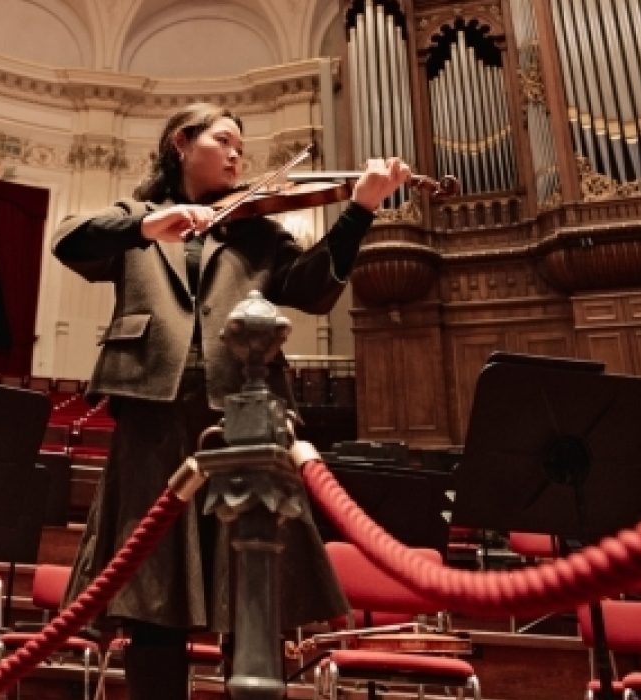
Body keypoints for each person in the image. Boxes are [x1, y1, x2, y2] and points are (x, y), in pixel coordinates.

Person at [52, 102, 414, 700]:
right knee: (150, 598)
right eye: (223, 140)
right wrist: (149, 226)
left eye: (239, 146)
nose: (237, 154)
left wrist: (361, 210)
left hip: (246, 417)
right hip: (152, 415)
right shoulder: (137, 220)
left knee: (255, 592)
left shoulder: (260, 231)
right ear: (180, 144)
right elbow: (70, 241)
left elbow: (313, 290)